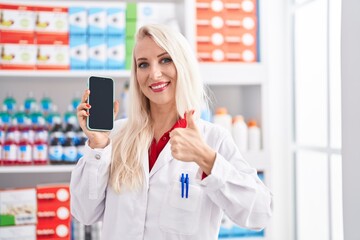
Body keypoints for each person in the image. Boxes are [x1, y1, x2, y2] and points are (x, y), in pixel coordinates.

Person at [70, 24, 272, 240]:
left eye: (165, 59)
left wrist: (206, 159)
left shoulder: (213, 139)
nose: (154, 74)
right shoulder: (116, 135)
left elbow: (259, 214)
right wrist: (98, 147)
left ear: (183, 65)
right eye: (143, 64)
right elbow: (84, 213)